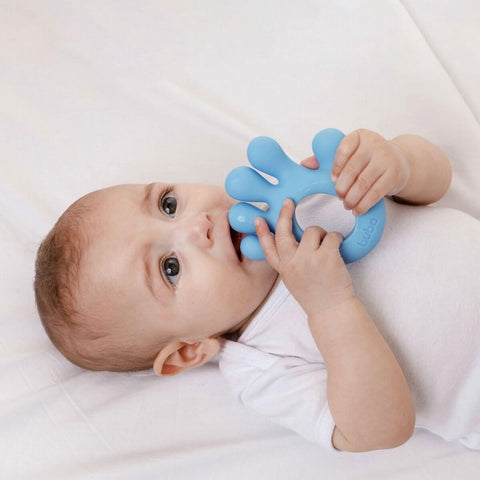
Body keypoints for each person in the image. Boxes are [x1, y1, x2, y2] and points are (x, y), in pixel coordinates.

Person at [34, 129, 480, 452]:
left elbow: (435, 181)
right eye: (170, 268)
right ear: (190, 352)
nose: (197, 225)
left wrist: (400, 163)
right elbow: (381, 430)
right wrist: (329, 305)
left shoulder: (301, 198)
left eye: (168, 205)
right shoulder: (261, 368)